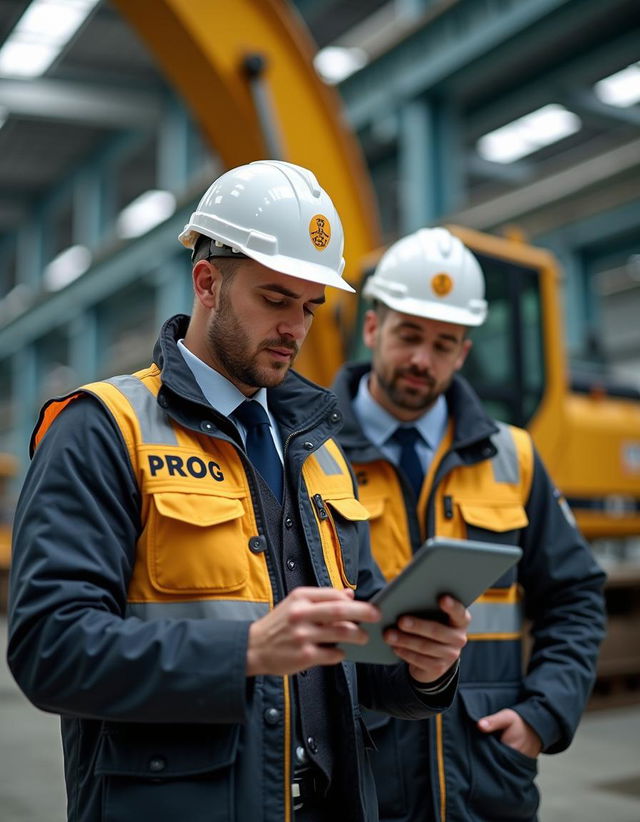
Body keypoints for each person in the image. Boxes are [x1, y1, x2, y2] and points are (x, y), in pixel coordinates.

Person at [7, 162, 471, 822]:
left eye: (310, 306)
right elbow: (48, 650)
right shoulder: (104, 430)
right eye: (276, 299)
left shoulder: (321, 453)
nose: (296, 328)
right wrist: (246, 652)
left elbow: (352, 655)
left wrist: (424, 668)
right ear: (207, 283)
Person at [331, 226, 607, 822]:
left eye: (444, 343)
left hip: (485, 777)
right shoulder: (311, 454)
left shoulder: (515, 458)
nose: (421, 360)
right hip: (361, 777)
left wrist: (542, 716)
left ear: (463, 352)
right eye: (409, 335)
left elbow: (576, 596)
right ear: (374, 328)